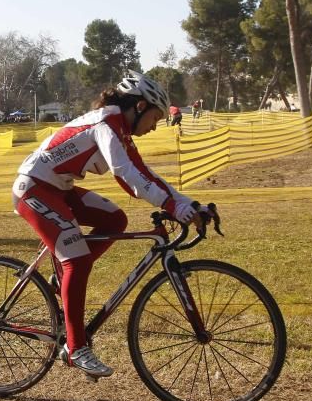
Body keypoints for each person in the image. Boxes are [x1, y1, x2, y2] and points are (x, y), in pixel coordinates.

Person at [12, 70, 202, 378]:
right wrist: (171, 206)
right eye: (155, 117)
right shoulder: (105, 125)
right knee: (77, 260)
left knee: (115, 219)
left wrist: (185, 203)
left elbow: (145, 174)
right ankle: (76, 348)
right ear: (140, 107)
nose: (154, 127)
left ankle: (63, 280)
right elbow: (127, 176)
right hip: (34, 189)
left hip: (57, 188)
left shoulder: (120, 129)